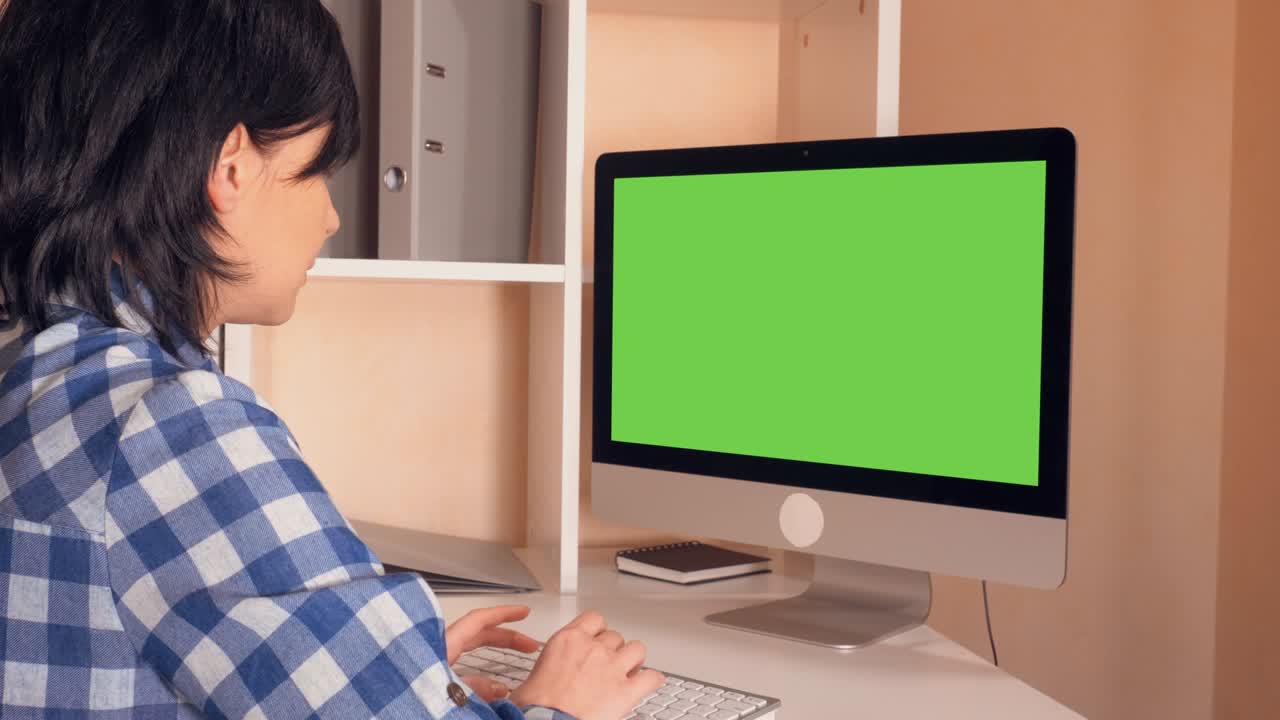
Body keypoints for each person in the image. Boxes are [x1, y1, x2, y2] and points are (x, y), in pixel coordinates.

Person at [0, 1, 664, 717]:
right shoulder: (169, 427)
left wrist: (379, 667)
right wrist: (566, 706)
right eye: (316, 172)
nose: (331, 217)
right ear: (231, 168)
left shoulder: (37, 377)